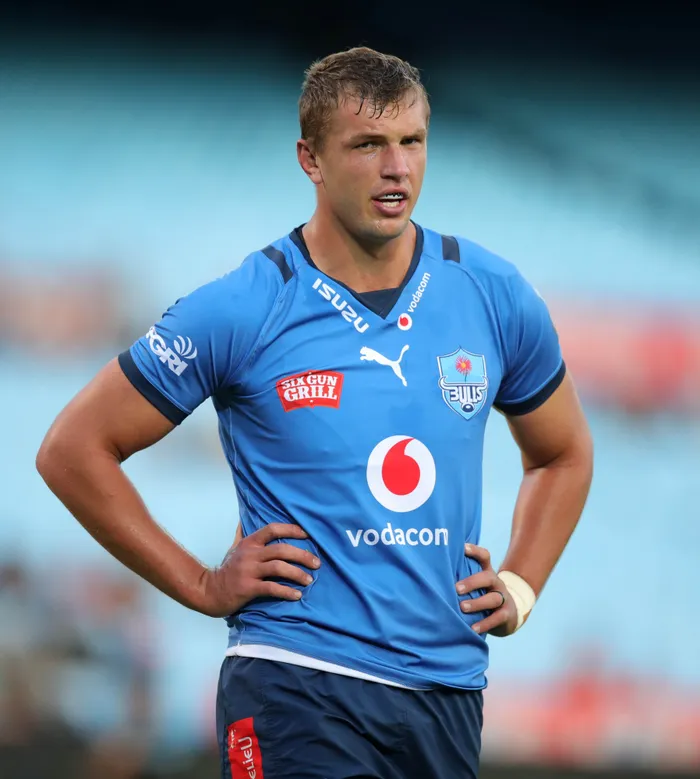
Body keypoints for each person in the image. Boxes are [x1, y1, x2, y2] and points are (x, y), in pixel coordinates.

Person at [36, 46, 594, 779]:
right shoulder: (245, 305)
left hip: (447, 691)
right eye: (368, 145)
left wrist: (521, 585)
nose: (397, 168)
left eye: (412, 141)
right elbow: (72, 449)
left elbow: (563, 453)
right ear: (312, 159)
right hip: (295, 681)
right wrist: (201, 584)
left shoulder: (492, 292)